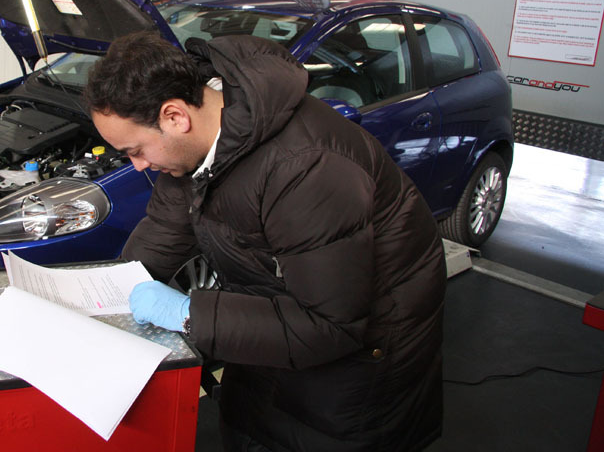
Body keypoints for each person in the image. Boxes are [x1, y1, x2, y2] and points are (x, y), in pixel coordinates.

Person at [84, 31, 446, 451]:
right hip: (274, 327)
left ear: (174, 116)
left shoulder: (305, 168)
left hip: (360, 364)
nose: (138, 165)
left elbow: (329, 327)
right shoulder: (194, 148)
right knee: (250, 425)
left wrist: (190, 314)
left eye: (136, 150)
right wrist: (108, 293)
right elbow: (166, 229)